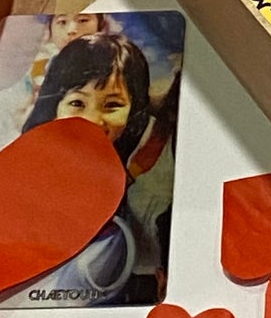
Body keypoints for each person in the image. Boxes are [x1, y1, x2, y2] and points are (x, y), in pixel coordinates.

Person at [22, 32, 176, 303]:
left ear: (134, 108)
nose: (93, 120)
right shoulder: (34, 159)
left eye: (113, 105)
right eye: (77, 103)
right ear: (55, 104)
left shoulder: (148, 161)